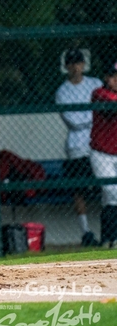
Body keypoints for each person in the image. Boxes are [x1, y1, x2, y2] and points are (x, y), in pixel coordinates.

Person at [55, 47, 102, 247]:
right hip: (76, 146)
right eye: (72, 63)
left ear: (84, 64)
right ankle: (86, 232)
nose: (76, 67)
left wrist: (91, 117)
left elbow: (101, 112)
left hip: (98, 143)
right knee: (79, 190)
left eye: (79, 63)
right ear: (66, 66)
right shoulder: (62, 91)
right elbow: (73, 121)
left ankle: (108, 229)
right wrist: (91, 116)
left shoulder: (95, 84)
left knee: (106, 186)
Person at [89, 61, 117, 248]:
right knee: (112, 192)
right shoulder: (99, 93)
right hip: (102, 154)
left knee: (109, 199)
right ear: (107, 78)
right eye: (114, 77)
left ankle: (107, 239)